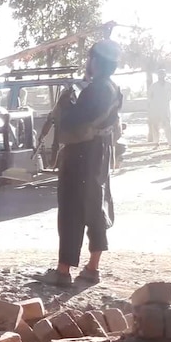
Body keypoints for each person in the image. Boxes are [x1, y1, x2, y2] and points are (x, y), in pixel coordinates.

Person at [34, 39, 123, 287]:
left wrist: (65, 104)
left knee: (72, 209)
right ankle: (92, 268)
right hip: (99, 154)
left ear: (96, 61)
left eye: (90, 59)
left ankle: (63, 271)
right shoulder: (111, 87)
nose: (87, 63)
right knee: (96, 205)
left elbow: (74, 122)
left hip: (82, 153)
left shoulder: (96, 90)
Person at [148, 69, 171, 149]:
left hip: (165, 108)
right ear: (158, 75)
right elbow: (149, 96)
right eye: (160, 74)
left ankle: (170, 144)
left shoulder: (169, 85)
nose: (161, 76)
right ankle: (156, 143)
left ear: (165, 75)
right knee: (155, 126)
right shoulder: (154, 85)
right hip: (155, 108)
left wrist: (164, 101)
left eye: (162, 74)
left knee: (168, 126)